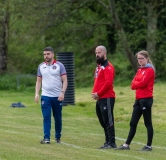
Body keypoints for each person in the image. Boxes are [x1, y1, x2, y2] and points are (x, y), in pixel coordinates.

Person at [116, 50, 155, 151]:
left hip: (146, 99)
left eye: (142, 58)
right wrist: (137, 83)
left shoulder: (150, 70)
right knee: (133, 122)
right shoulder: (140, 70)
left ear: (146, 58)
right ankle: (126, 145)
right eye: (138, 59)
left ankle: (149, 146)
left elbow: (141, 83)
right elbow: (132, 84)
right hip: (138, 100)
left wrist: (137, 83)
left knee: (148, 123)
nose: (140, 60)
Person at [35, 46, 68, 144]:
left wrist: (62, 92)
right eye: (44, 54)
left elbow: (65, 80)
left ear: (53, 54)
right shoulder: (41, 66)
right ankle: (46, 138)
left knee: (57, 117)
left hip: (57, 96)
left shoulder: (59, 66)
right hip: (45, 96)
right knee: (46, 117)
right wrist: (37, 94)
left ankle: (58, 137)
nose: (46, 56)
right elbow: (38, 81)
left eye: (48, 54)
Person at [92, 45, 117, 149]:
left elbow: (108, 83)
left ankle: (112, 142)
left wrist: (99, 93)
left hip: (107, 97)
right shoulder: (98, 67)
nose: (97, 55)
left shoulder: (108, 67)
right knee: (102, 120)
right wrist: (95, 93)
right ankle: (107, 142)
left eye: (99, 52)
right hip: (100, 98)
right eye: (96, 53)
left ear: (104, 53)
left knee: (108, 120)